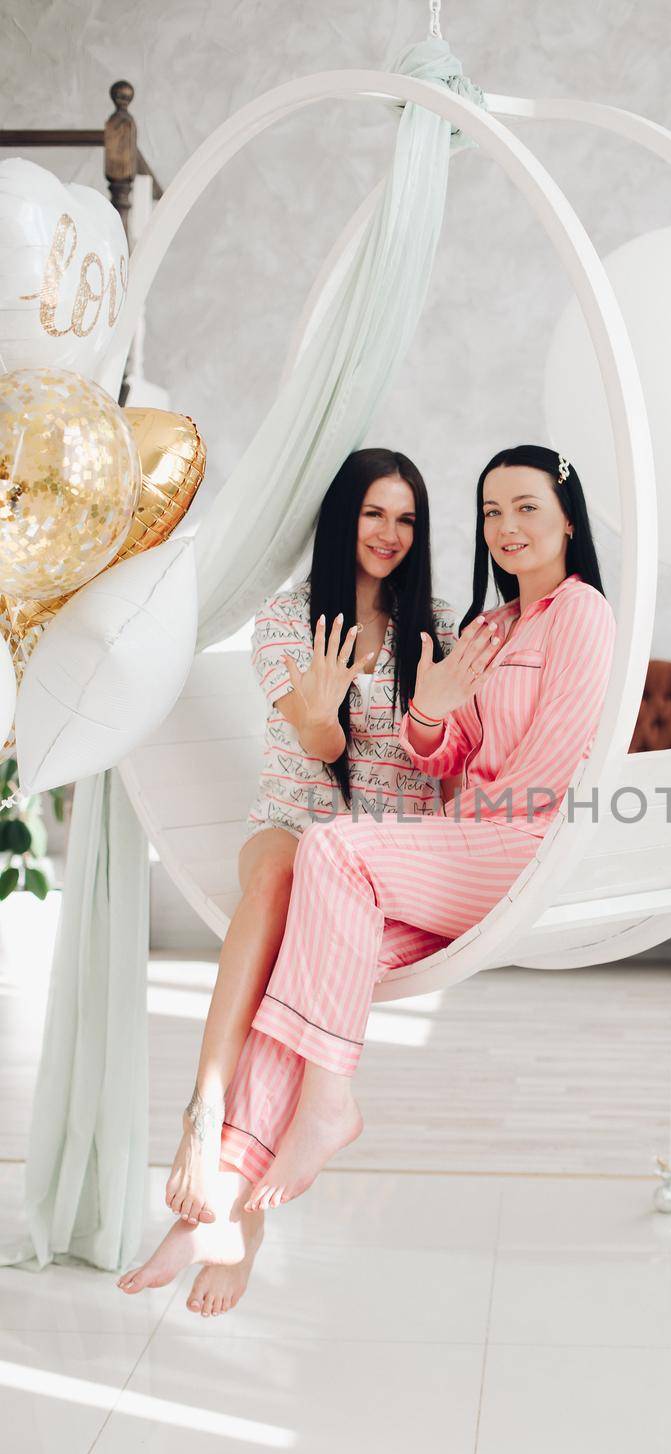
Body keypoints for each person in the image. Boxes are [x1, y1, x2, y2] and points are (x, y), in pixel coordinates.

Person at [117, 445, 616, 1317]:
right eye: (492, 511)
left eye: (526, 508)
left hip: (511, 846)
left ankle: (329, 1099)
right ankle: (225, 1206)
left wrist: (462, 816)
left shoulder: (580, 615)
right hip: (435, 857)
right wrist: (423, 710)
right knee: (301, 966)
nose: (506, 528)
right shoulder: (488, 629)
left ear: (567, 518)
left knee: (335, 851)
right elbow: (449, 748)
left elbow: (537, 769)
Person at [148, 447, 457, 1250]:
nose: (389, 533)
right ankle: (208, 1102)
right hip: (291, 827)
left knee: (305, 940)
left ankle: (236, 1215)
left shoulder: (439, 629)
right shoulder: (289, 620)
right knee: (288, 870)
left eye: (405, 518)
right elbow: (317, 739)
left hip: (390, 861)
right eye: (373, 513)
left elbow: (449, 758)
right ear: (342, 517)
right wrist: (325, 707)